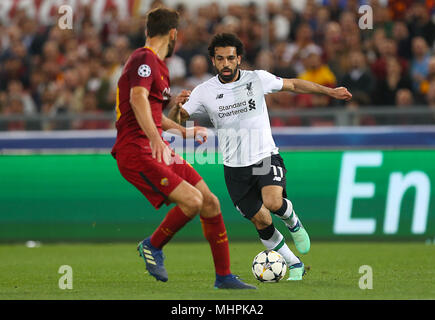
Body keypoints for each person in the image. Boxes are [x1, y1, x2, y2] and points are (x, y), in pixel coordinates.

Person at [170, 33, 352, 280]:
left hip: (264, 156)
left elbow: (294, 85)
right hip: (234, 167)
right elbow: (175, 121)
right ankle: (294, 264)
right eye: (220, 58)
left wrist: (330, 92)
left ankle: (293, 223)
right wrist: (176, 108)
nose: (226, 63)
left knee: (273, 202)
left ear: (239, 59)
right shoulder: (204, 92)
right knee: (261, 220)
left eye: (230, 58)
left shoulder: (256, 79)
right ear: (213, 61)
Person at [111, 9, 255, 290]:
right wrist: (154, 138)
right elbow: (137, 98)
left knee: (210, 201)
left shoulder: (160, 67)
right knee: (192, 201)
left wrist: (182, 131)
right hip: (135, 150)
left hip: (153, 145)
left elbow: (152, 114)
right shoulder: (144, 58)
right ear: (174, 34)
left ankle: (224, 276)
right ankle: (152, 245)